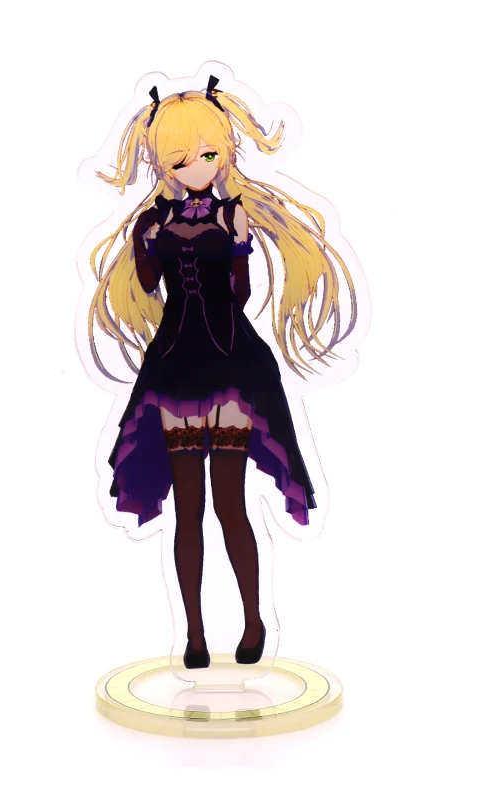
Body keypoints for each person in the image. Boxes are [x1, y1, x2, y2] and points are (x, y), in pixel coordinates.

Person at [87, 75, 358, 668]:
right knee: (188, 509)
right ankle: (193, 634)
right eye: (181, 158)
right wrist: (143, 245)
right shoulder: (154, 220)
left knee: (229, 503)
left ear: (224, 153)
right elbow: (151, 286)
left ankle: (254, 620)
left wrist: (236, 247)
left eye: (207, 154)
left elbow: (240, 294)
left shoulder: (234, 214)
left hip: (230, 362)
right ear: (163, 164)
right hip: (176, 366)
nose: (196, 166)